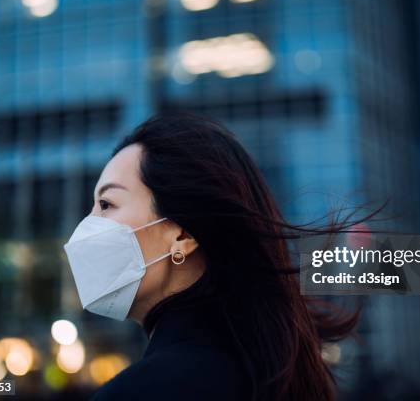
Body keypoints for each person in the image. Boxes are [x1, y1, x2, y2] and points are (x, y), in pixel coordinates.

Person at [63, 113, 380, 400]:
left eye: (106, 204)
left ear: (183, 235)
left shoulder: (143, 391)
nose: (86, 226)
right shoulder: (271, 376)